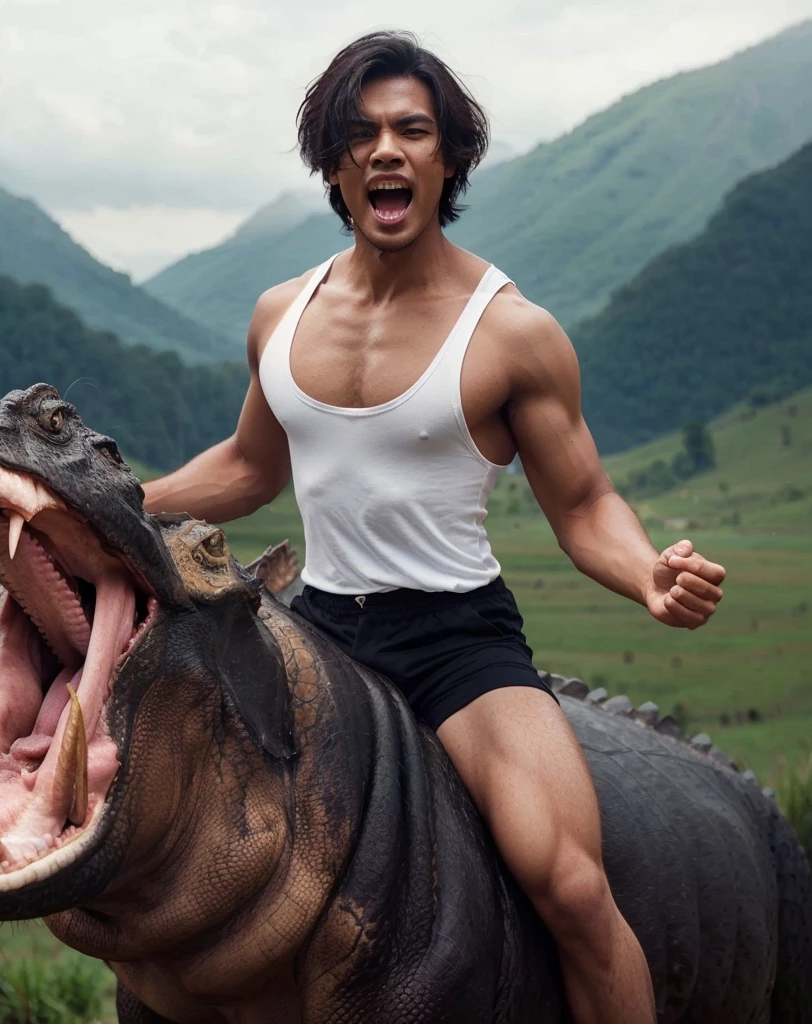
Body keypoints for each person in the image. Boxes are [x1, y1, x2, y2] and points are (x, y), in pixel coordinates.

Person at [143, 30, 726, 1024]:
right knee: (180, 848)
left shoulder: (512, 332)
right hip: (314, 631)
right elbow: (247, 467)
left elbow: (582, 503)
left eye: (412, 130)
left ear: (448, 157)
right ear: (331, 163)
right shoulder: (279, 314)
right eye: (360, 133)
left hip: (457, 641)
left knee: (574, 889)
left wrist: (646, 577)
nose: (385, 150)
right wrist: (119, 500)